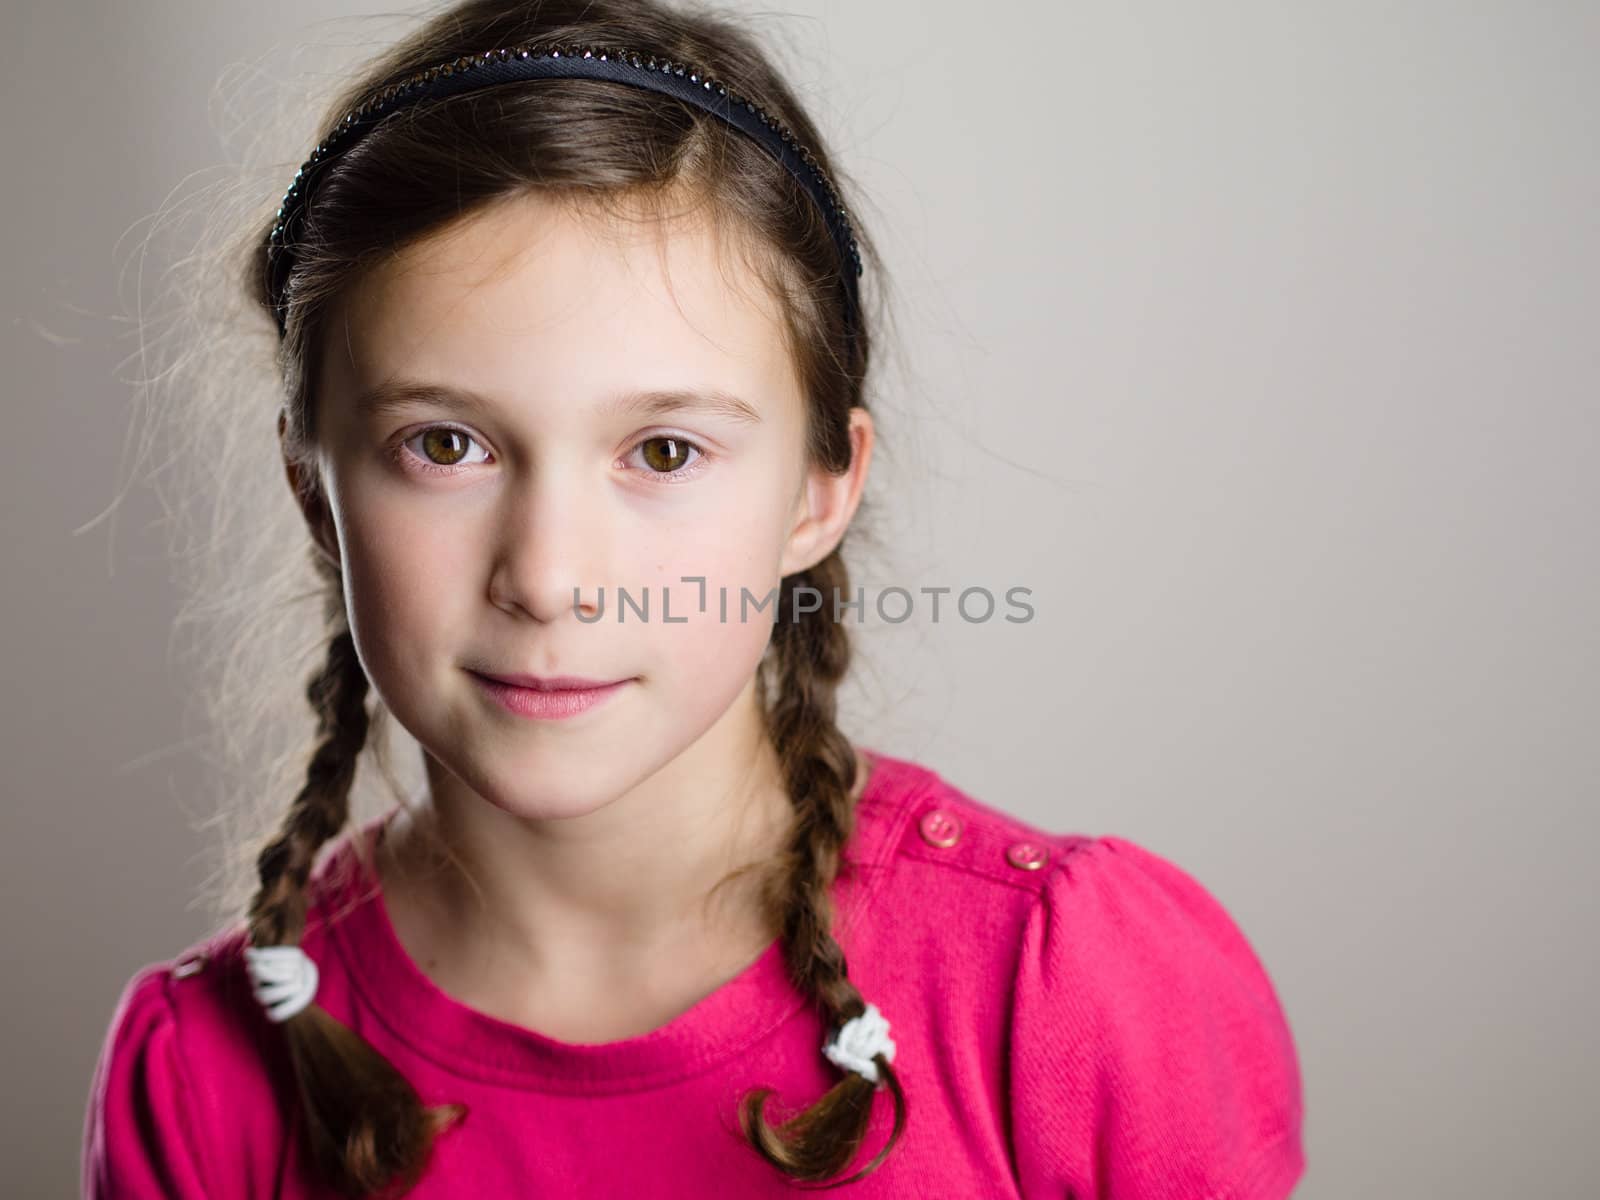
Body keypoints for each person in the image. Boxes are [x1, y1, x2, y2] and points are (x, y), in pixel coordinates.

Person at [80, 1, 1306, 1195]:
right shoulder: (201, 1078)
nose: (550, 579)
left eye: (663, 453)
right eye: (445, 446)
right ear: (312, 484)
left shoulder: (1062, 993)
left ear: (818, 493)